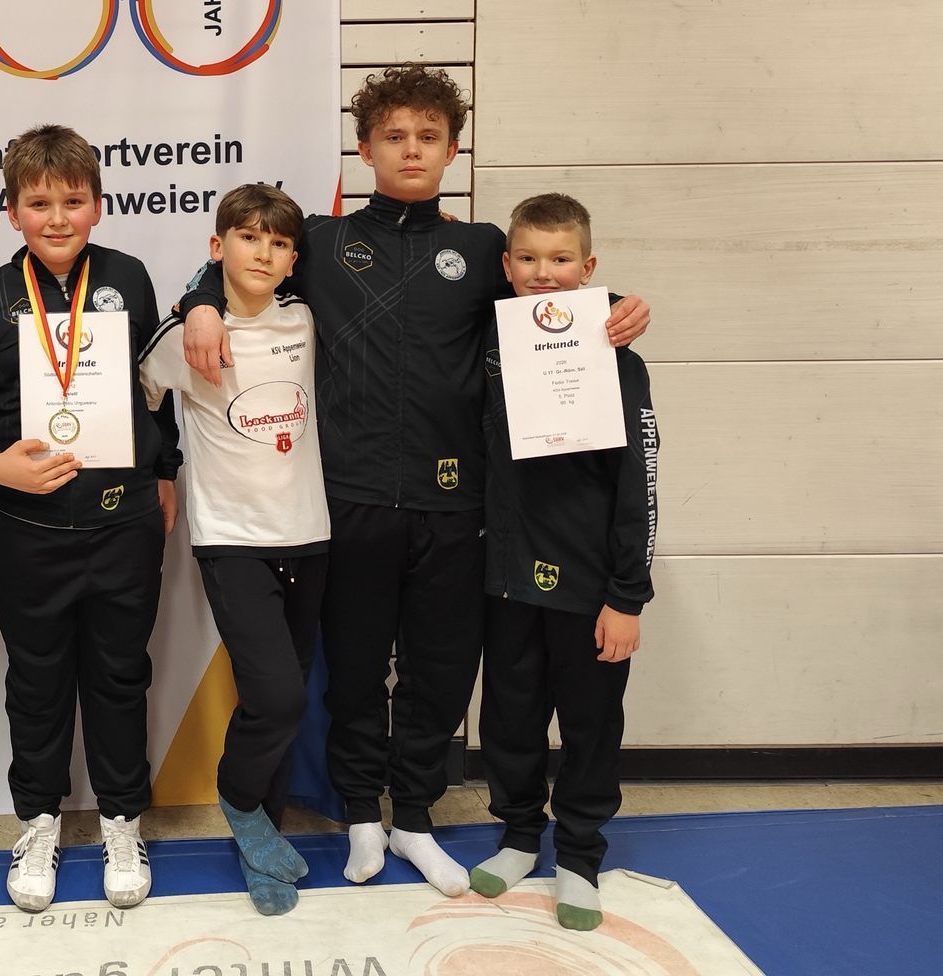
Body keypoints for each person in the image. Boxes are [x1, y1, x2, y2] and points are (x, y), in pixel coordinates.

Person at [180, 65, 650, 896]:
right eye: (393, 136)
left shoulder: (481, 249)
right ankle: (363, 813)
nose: (411, 150)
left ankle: (417, 820)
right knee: (357, 671)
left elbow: (552, 295)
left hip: (455, 508)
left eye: (428, 137)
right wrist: (199, 303)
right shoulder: (321, 242)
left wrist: (617, 307)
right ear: (364, 149)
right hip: (351, 502)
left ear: (452, 149)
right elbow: (240, 269)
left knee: (438, 675)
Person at [0, 124, 181, 913]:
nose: (56, 218)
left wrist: (166, 469)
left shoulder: (129, 278)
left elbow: (155, 386)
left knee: (120, 676)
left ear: (98, 206)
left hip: (123, 523)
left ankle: (121, 819)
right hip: (27, 531)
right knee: (37, 683)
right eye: (39, 203)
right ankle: (39, 821)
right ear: (12, 211)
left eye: (72, 201)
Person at [468, 193, 659, 932]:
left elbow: (638, 483)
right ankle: (521, 835)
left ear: (588, 267)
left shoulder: (619, 360)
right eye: (527, 258)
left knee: (590, 724)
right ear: (506, 264)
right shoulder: (487, 351)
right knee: (510, 718)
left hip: (590, 587)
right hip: (507, 578)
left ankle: (579, 855)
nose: (542, 273)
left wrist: (628, 596)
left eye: (560, 259)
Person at [140, 184, 327, 916]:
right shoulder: (184, 336)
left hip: (309, 533)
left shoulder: (306, 318)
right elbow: (139, 399)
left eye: (279, 244)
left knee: (281, 701)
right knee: (277, 695)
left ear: (293, 260)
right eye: (249, 238)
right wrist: (162, 470)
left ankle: (260, 841)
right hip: (232, 539)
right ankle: (241, 803)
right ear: (217, 247)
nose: (264, 253)